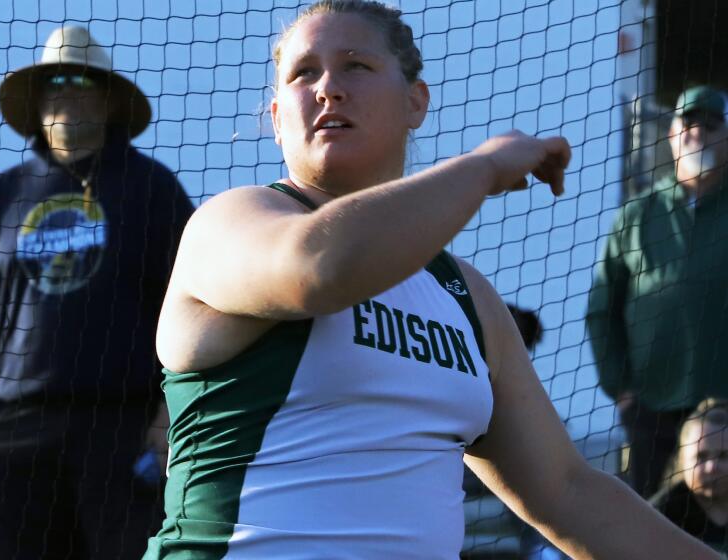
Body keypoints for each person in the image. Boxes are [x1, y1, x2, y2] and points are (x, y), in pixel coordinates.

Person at [144, 1, 717, 558]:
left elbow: (568, 492)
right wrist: (483, 167)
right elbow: (318, 269)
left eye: (356, 65)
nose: (327, 88)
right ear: (275, 119)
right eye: (303, 73)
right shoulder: (230, 222)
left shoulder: (463, 294)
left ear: (416, 102)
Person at [0, 26, 194, 560]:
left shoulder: (152, 189)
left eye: (80, 79)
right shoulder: (1, 196)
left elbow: (195, 304)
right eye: (53, 81)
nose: (65, 89)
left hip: (123, 431)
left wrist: (166, 416)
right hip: (13, 437)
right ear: (35, 103)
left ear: (107, 98)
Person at [587, 85, 728, 498]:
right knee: (649, 518)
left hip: (725, 403)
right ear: (671, 135)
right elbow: (602, 307)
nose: (698, 133)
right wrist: (621, 387)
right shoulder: (636, 215)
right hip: (652, 406)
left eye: (711, 124)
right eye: (689, 124)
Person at [651, 398, 728, 554]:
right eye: (701, 456)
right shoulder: (659, 516)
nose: (712, 467)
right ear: (682, 459)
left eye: (724, 456)